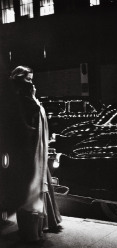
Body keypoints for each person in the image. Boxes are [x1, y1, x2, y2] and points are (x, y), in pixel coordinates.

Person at [9, 65, 61, 242]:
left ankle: (43, 223)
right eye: (27, 79)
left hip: (34, 148)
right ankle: (31, 230)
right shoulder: (19, 98)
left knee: (38, 183)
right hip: (27, 151)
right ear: (18, 78)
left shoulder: (25, 97)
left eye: (32, 79)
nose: (31, 83)